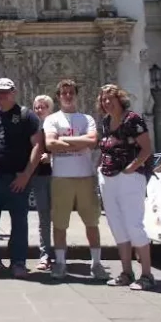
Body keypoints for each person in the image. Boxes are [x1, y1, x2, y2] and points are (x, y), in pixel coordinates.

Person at [0, 78, 42, 278]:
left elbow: (38, 145)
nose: (2, 96)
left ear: (14, 92)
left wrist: (26, 174)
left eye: (5, 92)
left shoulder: (26, 116)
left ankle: (18, 262)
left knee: (19, 220)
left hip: (17, 177)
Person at [44, 79, 109, 281]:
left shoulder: (86, 118)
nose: (68, 96)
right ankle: (61, 263)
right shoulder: (52, 119)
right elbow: (50, 144)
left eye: (71, 92)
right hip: (61, 178)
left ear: (76, 95)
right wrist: (78, 143)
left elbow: (92, 141)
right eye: (64, 93)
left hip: (85, 177)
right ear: (58, 96)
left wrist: (64, 141)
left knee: (92, 222)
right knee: (60, 223)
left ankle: (96, 264)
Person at [97, 84, 155, 290]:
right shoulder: (105, 121)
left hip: (129, 178)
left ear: (120, 99)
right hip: (108, 177)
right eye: (103, 99)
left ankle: (147, 274)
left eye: (110, 98)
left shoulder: (133, 119)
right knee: (117, 225)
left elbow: (146, 149)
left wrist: (131, 168)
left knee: (134, 224)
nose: (107, 102)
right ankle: (126, 272)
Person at [32, 94, 54, 271]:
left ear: (50, 108)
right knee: (44, 217)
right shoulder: (32, 126)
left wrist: (52, 156)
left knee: (60, 217)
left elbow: (67, 146)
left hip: (58, 175)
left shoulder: (56, 125)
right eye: (37, 107)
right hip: (39, 176)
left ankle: (60, 253)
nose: (39, 110)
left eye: (43, 106)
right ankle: (45, 254)